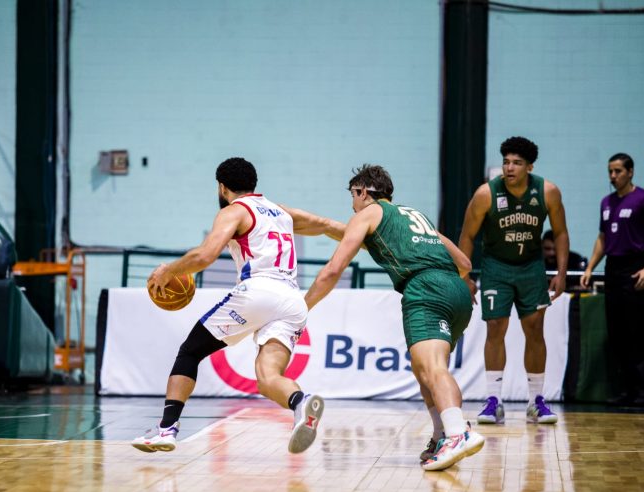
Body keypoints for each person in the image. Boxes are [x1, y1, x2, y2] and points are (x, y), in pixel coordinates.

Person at [132, 157, 345, 454]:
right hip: (292, 300)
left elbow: (205, 255)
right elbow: (327, 226)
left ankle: (166, 430)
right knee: (268, 379)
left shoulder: (235, 210)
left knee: (190, 351)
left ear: (222, 187)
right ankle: (301, 402)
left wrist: (169, 271)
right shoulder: (281, 211)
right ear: (253, 184)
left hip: (259, 291)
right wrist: (372, 238)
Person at [303, 164, 484, 471]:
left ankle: (458, 434)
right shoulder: (416, 217)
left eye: (352, 196)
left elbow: (334, 269)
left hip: (425, 288)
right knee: (423, 368)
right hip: (458, 291)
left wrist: (302, 307)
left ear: (363, 192)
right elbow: (464, 263)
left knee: (432, 367)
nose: (352, 204)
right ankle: (442, 435)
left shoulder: (367, 214)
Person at [458, 136, 568, 425]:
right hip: (496, 267)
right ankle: (494, 400)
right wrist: (464, 276)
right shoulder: (486, 194)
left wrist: (561, 273)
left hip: (531, 267)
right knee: (495, 327)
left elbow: (560, 233)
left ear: (529, 167)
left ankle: (536, 401)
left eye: (517, 163)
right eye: (506, 162)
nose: (509, 167)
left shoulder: (548, 192)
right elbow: (467, 236)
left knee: (535, 329)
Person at [580, 153, 644, 406]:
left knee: (637, 331)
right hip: (613, 269)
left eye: (618, 171)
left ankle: (643, 393)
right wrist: (590, 268)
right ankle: (622, 391)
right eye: (610, 171)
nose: (613, 176)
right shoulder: (606, 203)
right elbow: (602, 238)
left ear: (630, 172)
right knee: (616, 332)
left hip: (636, 267)